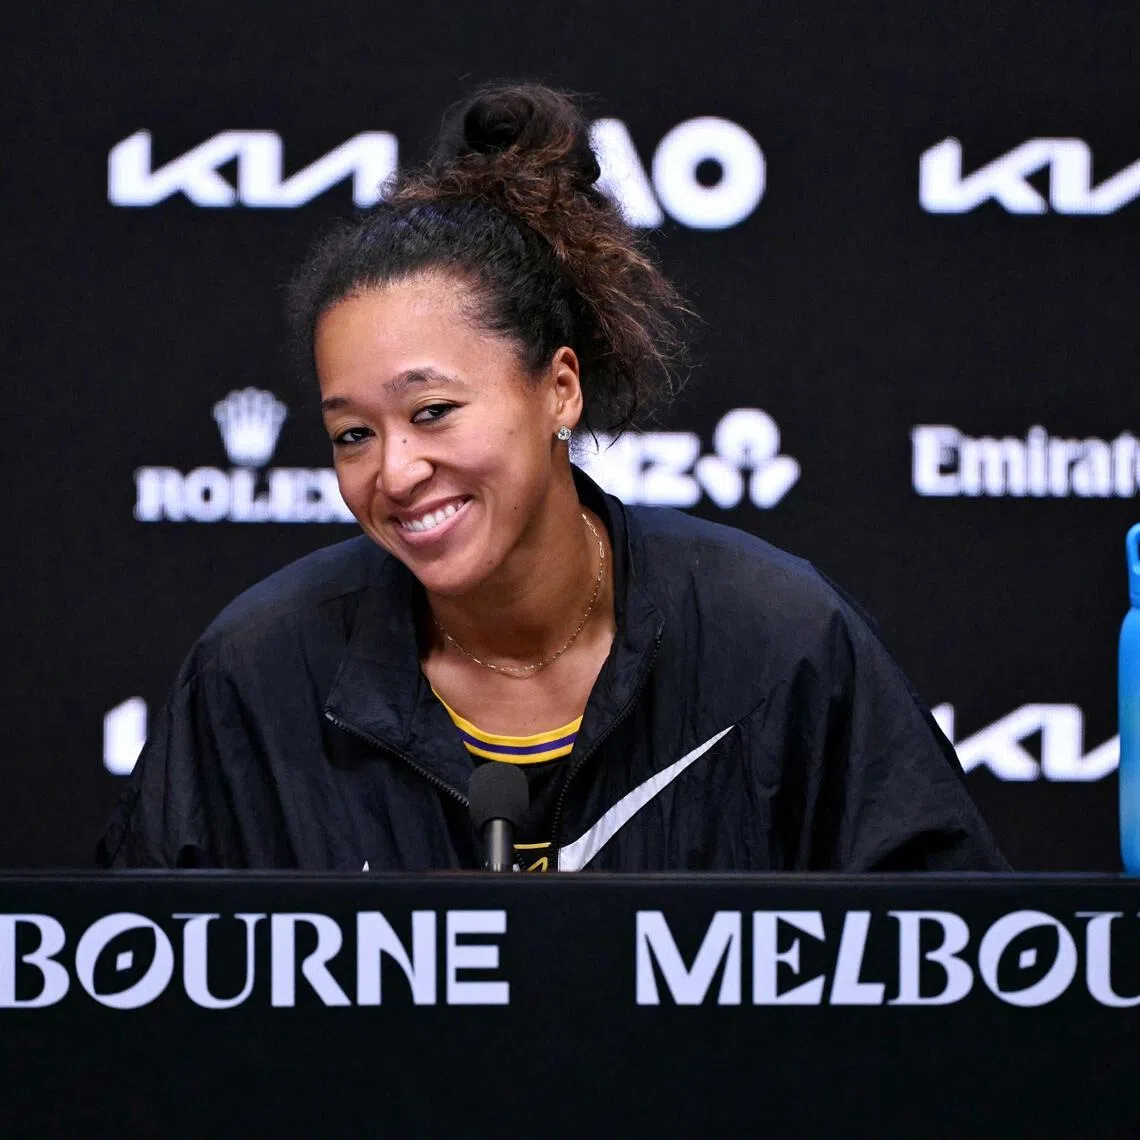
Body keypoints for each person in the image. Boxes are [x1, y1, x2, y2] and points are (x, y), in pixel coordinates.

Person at [98, 83, 1007, 873]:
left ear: (558, 390)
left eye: (432, 412)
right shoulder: (257, 673)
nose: (396, 471)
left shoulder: (779, 642)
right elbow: (136, 998)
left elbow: (948, 971)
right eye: (350, 435)